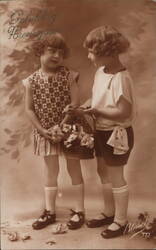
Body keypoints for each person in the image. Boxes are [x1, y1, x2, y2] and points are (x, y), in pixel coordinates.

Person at [78, 25, 136, 238]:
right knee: (103, 171)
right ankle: (110, 212)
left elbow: (123, 112)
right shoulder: (100, 72)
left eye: (92, 52)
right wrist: (86, 106)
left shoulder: (121, 78)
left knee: (116, 175)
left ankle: (121, 221)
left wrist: (96, 110)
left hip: (117, 134)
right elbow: (97, 99)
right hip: (101, 131)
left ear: (108, 53)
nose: (88, 55)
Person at [22, 32, 85, 230]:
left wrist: (63, 124)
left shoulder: (69, 75)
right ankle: (49, 211)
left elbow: (75, 103)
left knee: (74, 169)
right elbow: (29, 109)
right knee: (51, 171)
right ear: (40, 52)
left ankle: (79, 210)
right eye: (51, 51)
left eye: (60, 52)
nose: (56, 55)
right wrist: (42, 130)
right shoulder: (31, 81)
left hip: (70, 130)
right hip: (45, 133)